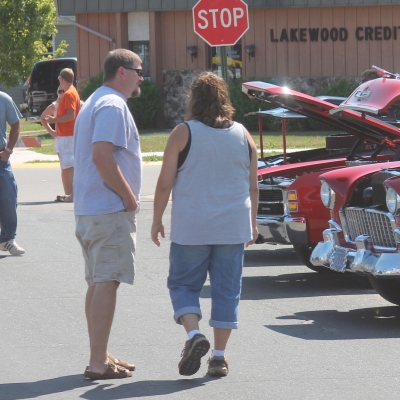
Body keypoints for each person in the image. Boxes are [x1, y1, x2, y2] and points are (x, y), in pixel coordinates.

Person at [151, 72, 258, 378]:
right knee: (227, 291)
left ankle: (193, 335)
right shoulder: (243, 135)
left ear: (193, 100)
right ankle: (220, 357)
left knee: (183, 285)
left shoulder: (183, 133)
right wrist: (252, 224)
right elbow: (253, 186)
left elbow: (163, 184)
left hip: (192, 227)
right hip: (232, 227)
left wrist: (157, 219)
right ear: (225, 98)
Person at [73, 49, 144, 380]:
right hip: (108, 209)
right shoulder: (113, 105)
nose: (142, 76)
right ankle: (98, 363)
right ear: (121, 72)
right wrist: (129, 197)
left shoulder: (95, 100)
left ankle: (98, 355)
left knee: (98, 282)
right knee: (106, 282)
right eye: (138, 70)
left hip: (92, 209)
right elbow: (102, 155)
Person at [45, 68, 80, 202]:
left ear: (62, 79)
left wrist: (54, 120)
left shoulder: (69, 93)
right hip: (67, 135)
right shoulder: (71, 92)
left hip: (67, 135)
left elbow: (71, 115)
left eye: (59, 78)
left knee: (67, 167)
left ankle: (70, 195)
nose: (59, 80)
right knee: (69, 166)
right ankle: (71, 194)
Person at [0, 90, 24, 256]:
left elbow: (15, 125)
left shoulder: (4, 99)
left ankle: (7, 239)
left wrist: (8, 151)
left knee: (9, 196)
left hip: (1, 158)